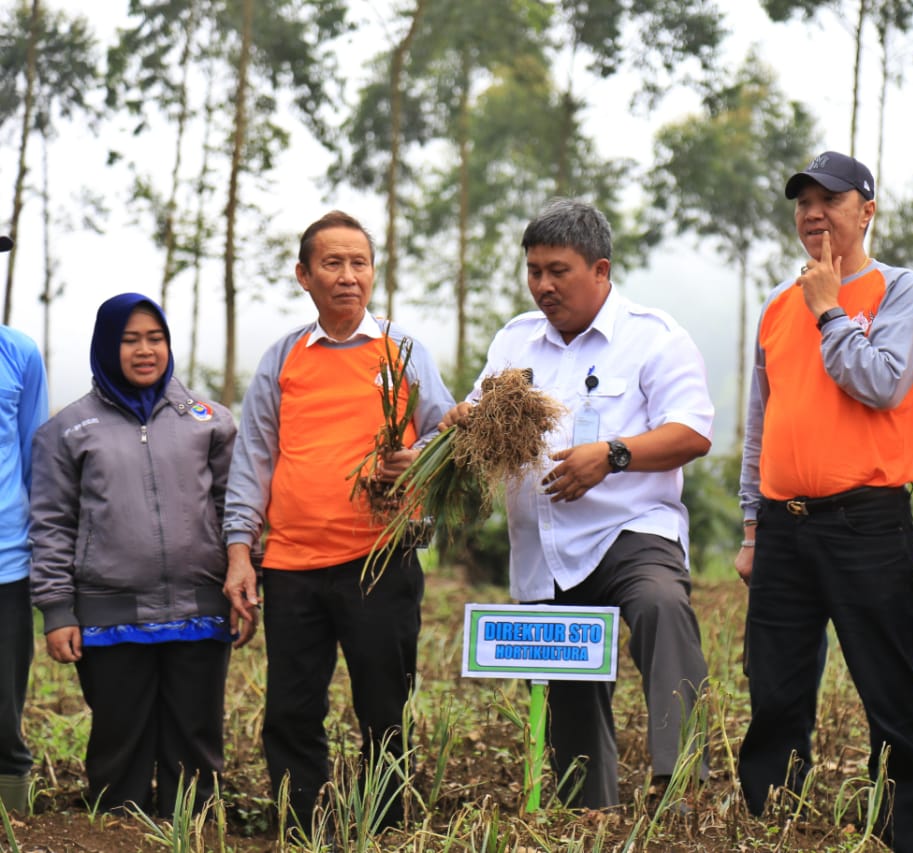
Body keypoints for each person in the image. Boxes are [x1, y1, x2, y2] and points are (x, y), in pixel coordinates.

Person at [440, 198, 713, 810]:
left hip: (629, 531)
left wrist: (611, 455)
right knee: (571, 703)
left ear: (601, 269)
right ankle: (589, 816)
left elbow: (692, 432)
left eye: (557, 270)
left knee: (662, 605)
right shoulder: (515, 343)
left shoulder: (653, 337)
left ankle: (682, 783)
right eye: (534, 270)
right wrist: (463, 423)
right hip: (544, 547)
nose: (542, 285)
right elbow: (479, 418)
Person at [221, 210, 453, 831]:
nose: (348, 276)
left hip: (381, 559)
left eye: (360, 263)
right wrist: (241, 553)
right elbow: (253, 460)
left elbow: (448, 434)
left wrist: (417, 460)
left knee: (383, 708)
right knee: (291, 711)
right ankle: (303, 828)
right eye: (333, 263)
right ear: (304, 275)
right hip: (293, 566)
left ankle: (383, 829)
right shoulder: (283, 358)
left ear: (373, 273)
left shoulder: (402, 351)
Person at [736, 151, 913, 852]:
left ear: (867, 210)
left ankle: (907, 832)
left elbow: (880, 382)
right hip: (784, 529)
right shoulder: (773, 307)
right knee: (775, 689)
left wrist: (830, 309)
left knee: (889, 690)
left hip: (866, 521)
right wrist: (751, 525)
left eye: (830, 199)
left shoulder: (899, 291)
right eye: (803, 202)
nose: (814, 214)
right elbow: (761, 421)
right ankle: (774, 824)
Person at [29, 294, 235, 816]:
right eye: (129, 340)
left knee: (196, 735)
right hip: (108, 613)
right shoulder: (67, 430)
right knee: (120, 737)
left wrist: (243, 579)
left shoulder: (208, 420)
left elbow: (235, 510)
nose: (145, 351)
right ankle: (116, 830)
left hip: (200, 608)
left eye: (155, 338)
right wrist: (57, 609)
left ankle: (192, 829)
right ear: (105, 346)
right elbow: (51, 524)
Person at [0, 233, 48, 816]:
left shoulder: (19, 353)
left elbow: (38, 462)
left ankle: (13, 818)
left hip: (7, 562)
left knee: (3, 710)